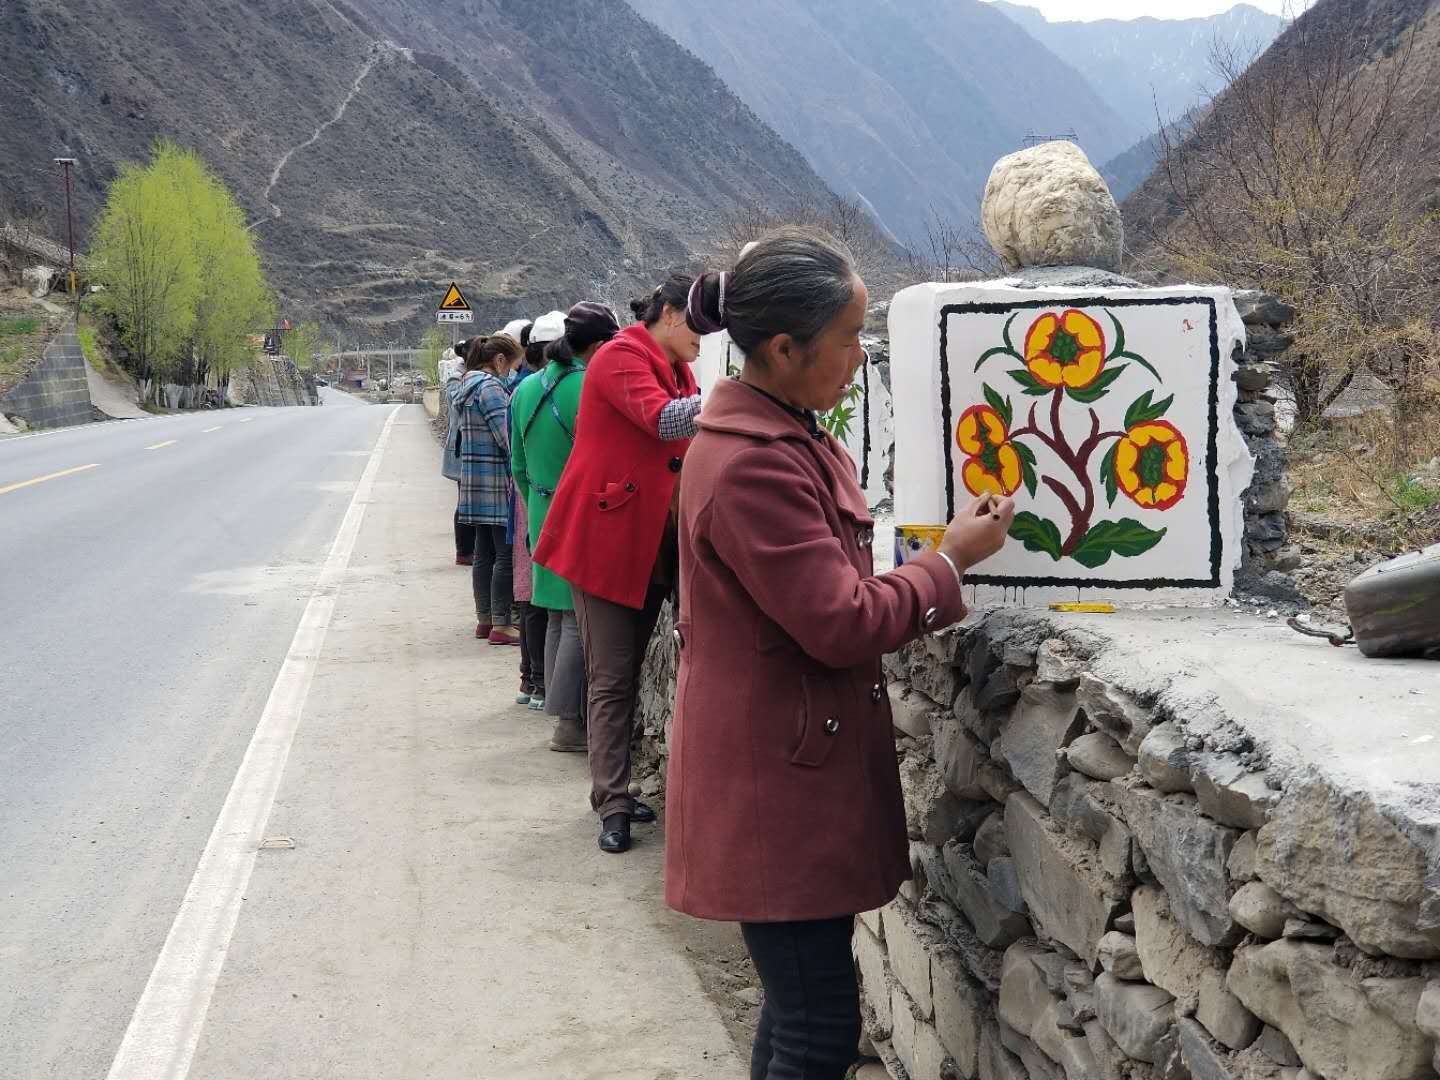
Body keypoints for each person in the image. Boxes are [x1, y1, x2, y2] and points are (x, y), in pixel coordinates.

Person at [664, 228, 1015, 1080]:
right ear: (783, 350)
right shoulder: (753, 465)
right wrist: (949, 562)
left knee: (797, 1016)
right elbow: (841, 622)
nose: (862, 357)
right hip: (771, 788)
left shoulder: (777, 431)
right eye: (851, 337)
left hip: (781, 769)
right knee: (818, 1028)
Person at [534, 274, 703, 852]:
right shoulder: (621, 357)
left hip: (656, 544)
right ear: (673, 315)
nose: (706, 339)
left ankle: (628, 790)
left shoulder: (679, 367)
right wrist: (747, 393)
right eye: (702, 325)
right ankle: (610, 802)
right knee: (611, 678)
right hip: (607, 543)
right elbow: (665, 422)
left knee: (637, 673)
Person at [512, 302, 620, 751]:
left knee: (557, 614)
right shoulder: (590, 386)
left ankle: (561, 716)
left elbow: (517, 464)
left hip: (540, 507)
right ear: (594, 347)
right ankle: (570, 724)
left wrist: (539, 500)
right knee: (578, 619)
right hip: (579, 511)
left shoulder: (523, 391)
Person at [456, 334, 523, 645]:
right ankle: (502, 623)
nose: (512, 372)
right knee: (504, 554)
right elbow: (506, 438)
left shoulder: (467, 386)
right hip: (496, 482)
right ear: (499, 362)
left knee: (484, 552)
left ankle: (484, 619)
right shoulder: (492, 388)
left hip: (474, 481)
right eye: (513, 366)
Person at [510, 321, 550, 709]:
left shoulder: (519, 390)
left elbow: (516, 463)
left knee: (528, 597)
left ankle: (529, 680)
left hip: (527, 503)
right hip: (542, 505)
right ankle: (540, 683)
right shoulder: (566, 388)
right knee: (547, 603)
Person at [442, 339, 476, 565]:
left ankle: (468, 550)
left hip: (465, 447)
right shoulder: (457, 380)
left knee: (467, 498)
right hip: (461, 447)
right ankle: (463, 551)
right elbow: (459, 406)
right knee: (464, 500)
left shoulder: (465, 377)